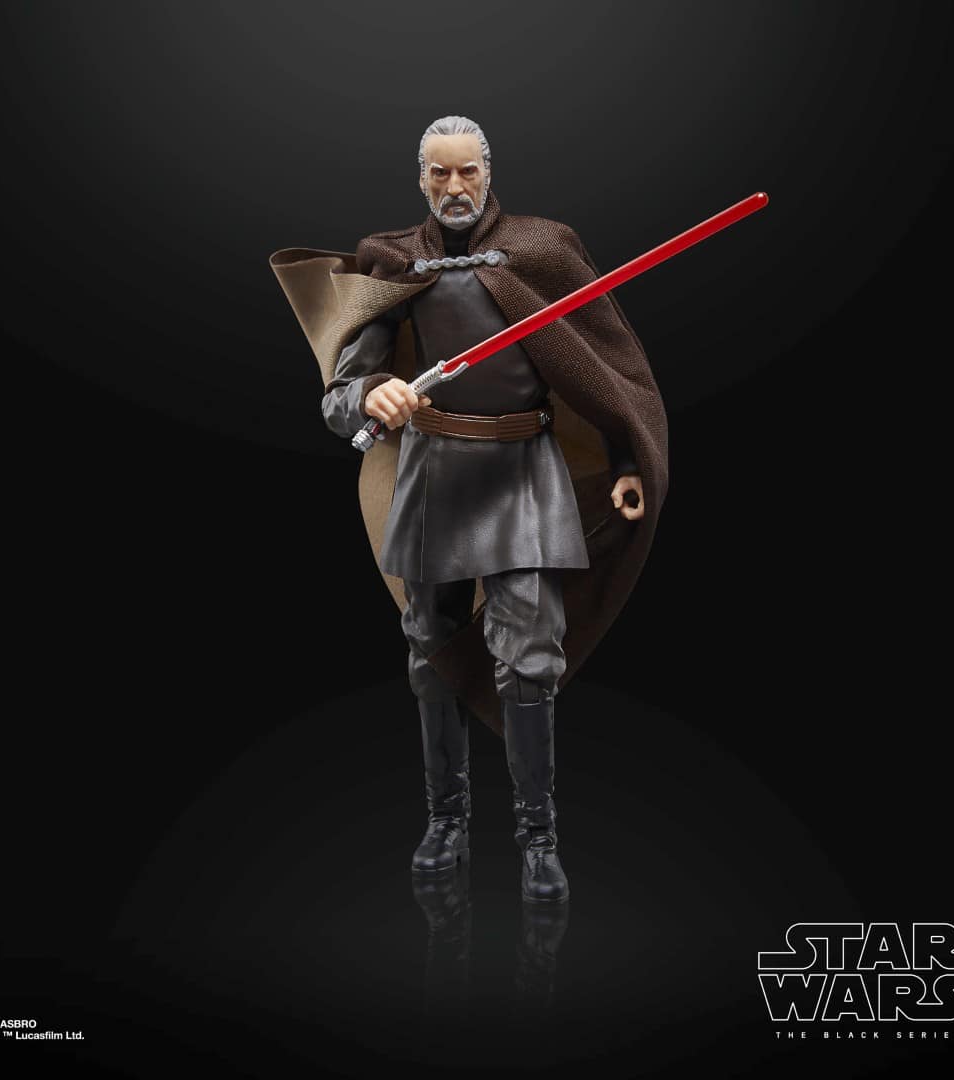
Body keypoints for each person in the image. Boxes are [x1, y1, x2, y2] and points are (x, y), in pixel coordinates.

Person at [269, 115, 668, 904]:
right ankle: (444, 821)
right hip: (435, 473)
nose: (455, 188)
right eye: (440, 174)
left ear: (489, 172)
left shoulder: (543, 247)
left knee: (532, 658)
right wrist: (370, 394)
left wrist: (626, 459)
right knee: (430, 649)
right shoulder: (393, 262)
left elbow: (603, 361)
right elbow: (341, 392)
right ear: (421, 178)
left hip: (525, 469)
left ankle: (538, 838)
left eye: (468, 172)